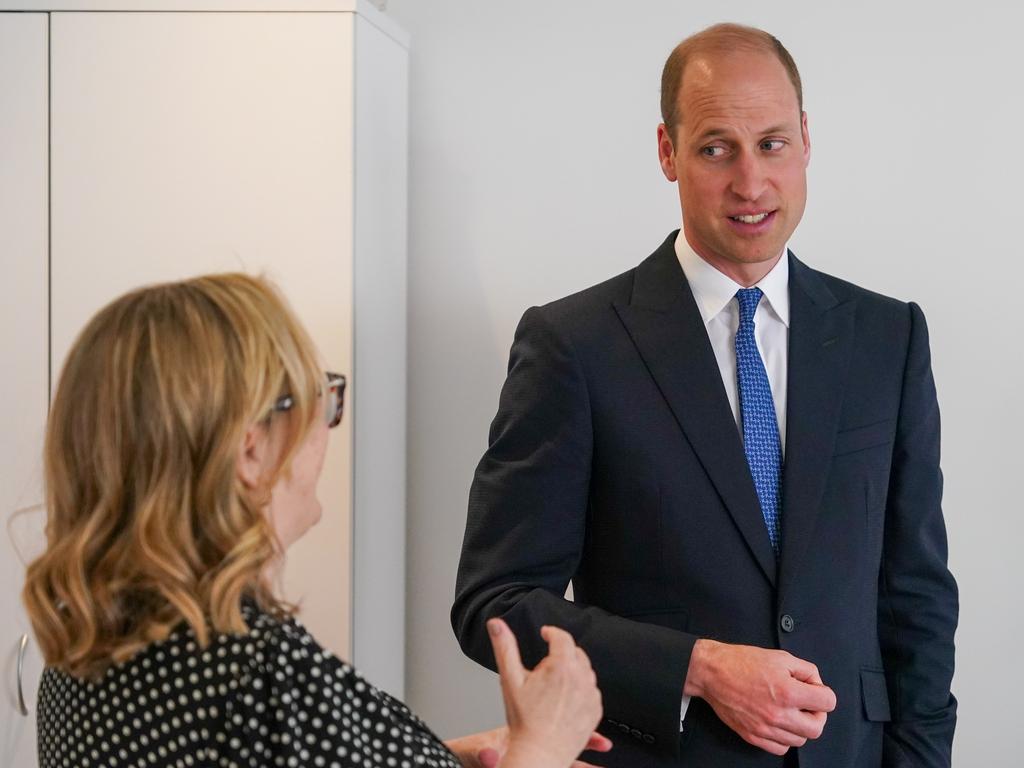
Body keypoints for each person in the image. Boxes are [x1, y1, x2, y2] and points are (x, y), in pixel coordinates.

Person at [451, 22, 958, 768]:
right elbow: (494, 603)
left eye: (773, 144)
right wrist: (698, 667)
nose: (750, 183)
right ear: (668, 152)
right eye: (717, 148)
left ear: (807, 140)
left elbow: (917, 599)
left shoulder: (890, 339)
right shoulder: (575, 345)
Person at [22, 273, 611, 768]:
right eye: (320, 399)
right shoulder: (259, 680)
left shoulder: (84, 652)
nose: (327, 427)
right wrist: (543, 745)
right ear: (251, 451)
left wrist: (441, 757)